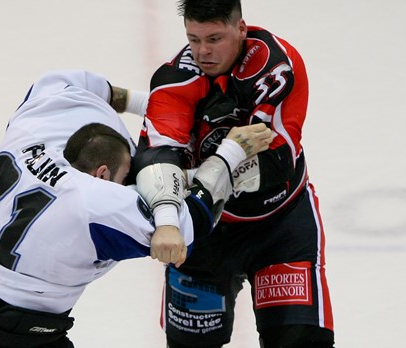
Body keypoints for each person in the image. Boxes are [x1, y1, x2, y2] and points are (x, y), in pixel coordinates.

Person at [0, 69, 273, 348]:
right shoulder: (100, 205)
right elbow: (191, 222)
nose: (130, 187)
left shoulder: (33, 128)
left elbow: (63, 80)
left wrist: (153, 105)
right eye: (127, 178)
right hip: (13, 337)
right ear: (101, 173)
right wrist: (229, 155)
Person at [132, 0, 335, 347]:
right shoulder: (175, 79)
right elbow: (156, 163)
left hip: (280, 227)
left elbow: (276, 163)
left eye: (214, 38)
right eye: (193, 39)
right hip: (205, 232)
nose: (203, 52)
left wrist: (197, 174)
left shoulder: (274, 66)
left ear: (241, 29)